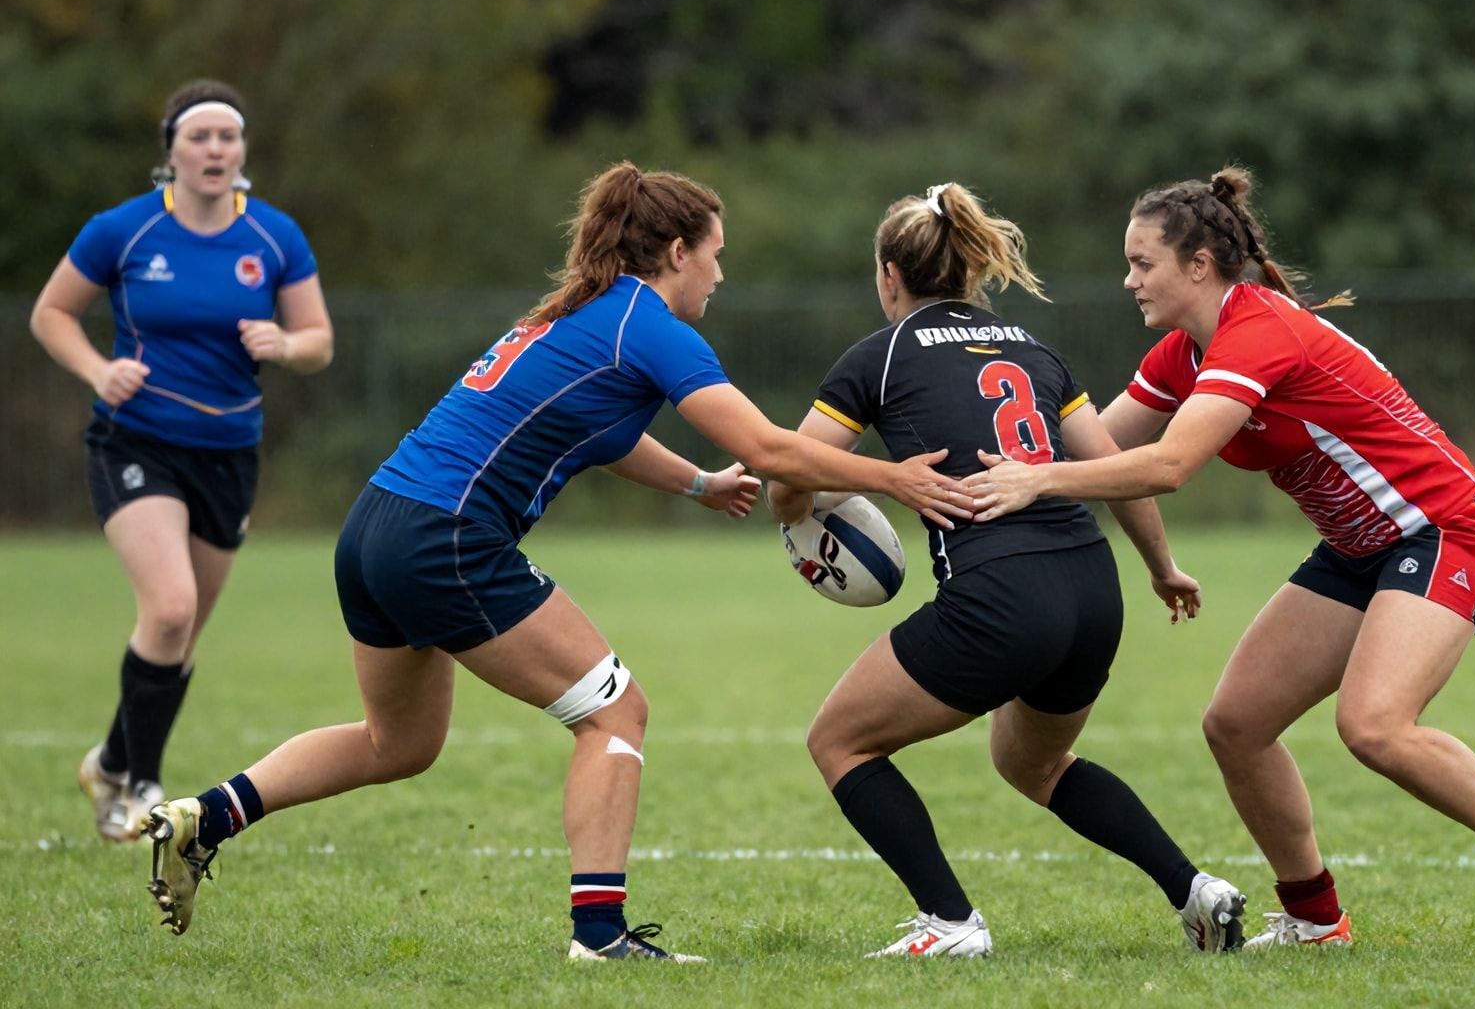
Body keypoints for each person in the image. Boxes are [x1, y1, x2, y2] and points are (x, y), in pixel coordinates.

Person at [138, 162, 974, 962]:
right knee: (617, 713)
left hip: (375, 527)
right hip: (446, 537)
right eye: (716, 255)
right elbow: (769, 446)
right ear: (678, 253)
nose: (719, 275)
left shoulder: (579, 314)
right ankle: (600, 935)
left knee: (397, 742)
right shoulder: (646, 324)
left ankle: (205, 818)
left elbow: (602, 436)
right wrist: (889, 475)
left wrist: (696, 484)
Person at [964, 168, 1475, 955]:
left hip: (1443, 529)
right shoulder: (1182, 354)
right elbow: (1096, 445)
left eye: (1141, 262)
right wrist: (969, 464)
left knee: (1374, 726)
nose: (1128, 280)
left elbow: (1166, 466)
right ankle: (1316, 920)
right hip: (1360, 549)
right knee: (1237, 724)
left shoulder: (1257, 333)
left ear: (1197, 264)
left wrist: (1038, 479)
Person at [768, 183, 1247, 958]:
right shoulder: (1034, 347)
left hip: (1002, 597)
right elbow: (1115, 466)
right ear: (967, 271)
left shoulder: (879, 356)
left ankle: (950, 924)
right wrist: (1163, 566)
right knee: (1034, 761)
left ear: (891, 274)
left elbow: (788, 478)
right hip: (1094, 591)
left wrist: (815, 508)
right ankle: (1196, 893)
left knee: (839, 741)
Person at [28, 80, 334, 842]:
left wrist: (284, 345)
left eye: (228, 137)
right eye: (199, 136)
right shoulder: (123, 231)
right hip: (135, 442)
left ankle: (110, 760)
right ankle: (137, 786)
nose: (215, 150)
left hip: (229, 453)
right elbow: (51, 313)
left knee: (182, 635)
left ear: (242, 152)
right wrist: (100, 373)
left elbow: (318, 341)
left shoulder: (273, 237)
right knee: (168, 609)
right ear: (170, 149)